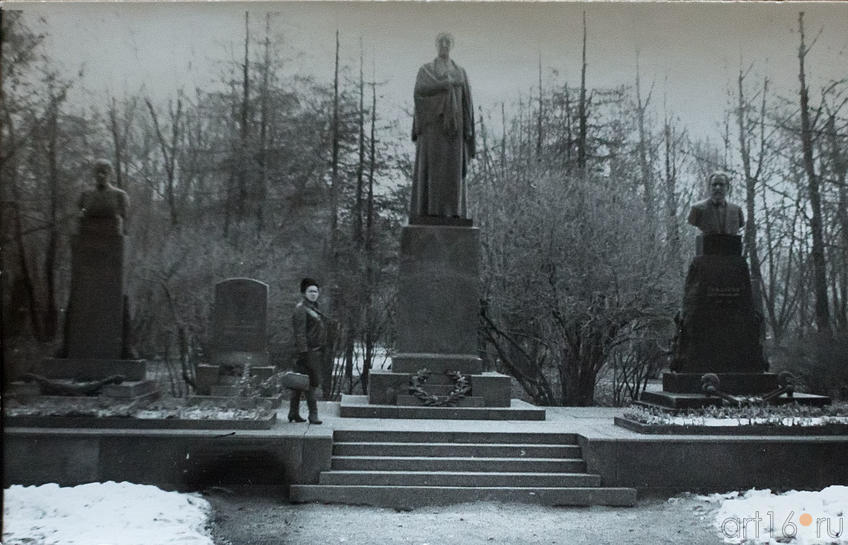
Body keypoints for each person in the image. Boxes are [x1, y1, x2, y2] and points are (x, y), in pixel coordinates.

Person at [410, 32, 475, 220]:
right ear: (436, 44)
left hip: (455, 130)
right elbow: (419, 94)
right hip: (432, 129)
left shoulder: (460, 72)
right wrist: (442, 86)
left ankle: (453, 212)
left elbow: (467, 102)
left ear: (452, 46)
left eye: (448, 42)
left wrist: (468, 130)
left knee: (452, 175)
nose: (444, 44)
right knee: (431, 172)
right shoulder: (426, 70)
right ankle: (428, 211)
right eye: (441, 41)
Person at [289, 278, 326, 424]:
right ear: (304, 292)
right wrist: (303, 352)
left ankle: (293, 412)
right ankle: (313, 414)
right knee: (311, 382)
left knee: (301, 382)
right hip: (306, 351)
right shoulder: (301, 308)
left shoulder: (313, 308)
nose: (313, 294)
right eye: (310, 291)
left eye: (316, 291)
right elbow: (300, 333)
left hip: (314, 350)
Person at [78, 159, 130, 232]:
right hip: (89, 233)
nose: (100, 175)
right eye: (98, 172)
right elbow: (80, 210)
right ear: (94, 174)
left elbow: (124, 217)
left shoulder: (120, 195)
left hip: (112, 233)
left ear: (110, 174)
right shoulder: (85, 195)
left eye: (104, 172)